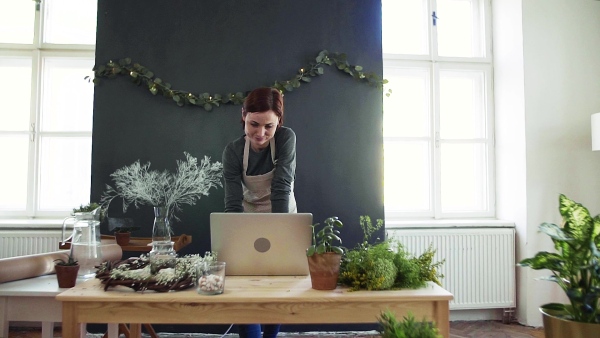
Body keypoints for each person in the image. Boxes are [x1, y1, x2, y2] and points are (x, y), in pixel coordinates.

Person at [221, 87, 297, 338]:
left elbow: (282, 187)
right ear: (243, 115)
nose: (261, 133)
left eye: (269, 126)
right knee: (245, 284)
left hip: (282, 214)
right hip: (248, 217)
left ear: (279, 123)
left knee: (277, 282)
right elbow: (232, 202)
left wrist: (280, 232)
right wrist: (234, 239)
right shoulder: (233, 151)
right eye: (254, 124)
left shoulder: (286, 139)